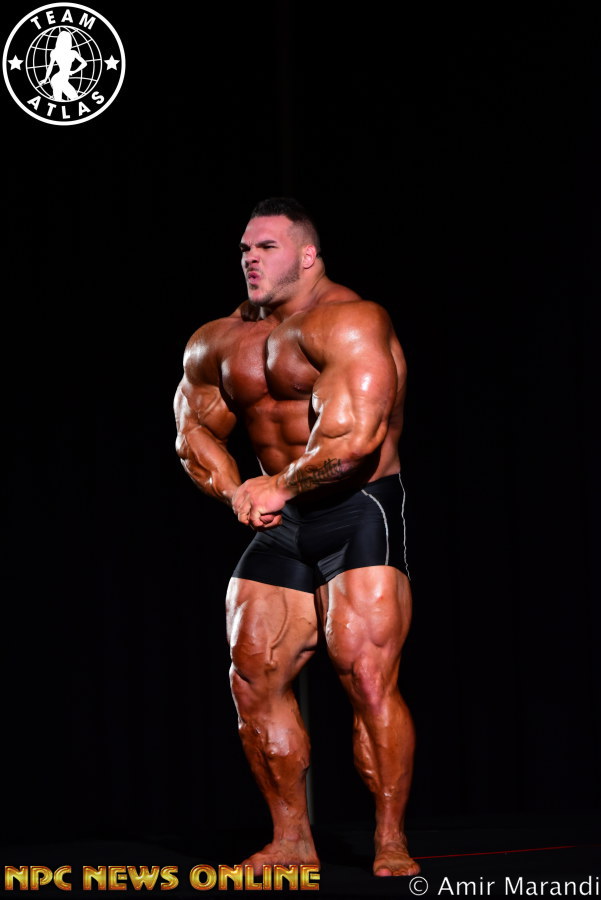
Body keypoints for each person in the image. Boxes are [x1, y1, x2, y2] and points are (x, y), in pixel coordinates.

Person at [173, 197, 420, 878]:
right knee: (250, 674)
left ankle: (390, 839)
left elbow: (355, 437)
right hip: (282, 521)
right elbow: (192, 433)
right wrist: (235, 491)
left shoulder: (351, 320)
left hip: (357, 510)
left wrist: (278, 485)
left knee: (365, 676)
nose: (250, 259)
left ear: (307, 255)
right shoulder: (218, 340)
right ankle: (291, 841)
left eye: (267, 248)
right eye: (244, 249)